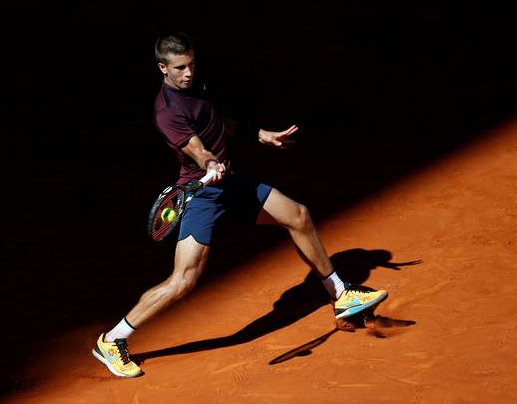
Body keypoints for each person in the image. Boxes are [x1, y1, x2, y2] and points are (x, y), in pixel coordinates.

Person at [92, 31, 387, 378]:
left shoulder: (196, 89)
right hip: (202, 194)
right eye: (180, 68)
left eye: (191, 64)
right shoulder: (167, 112)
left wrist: (259, 133)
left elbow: (217, 122)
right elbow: (197, 149)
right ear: (163, 68)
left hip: (228, 184)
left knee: (298, 215)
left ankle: (340, 294)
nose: (188, 72)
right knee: (183, 280)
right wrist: (209, 164)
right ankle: (113, 340)